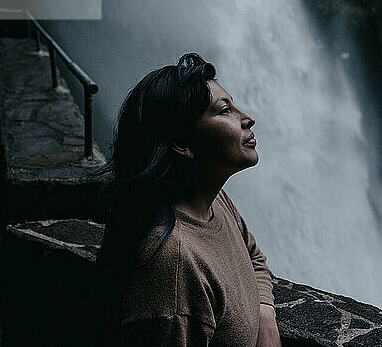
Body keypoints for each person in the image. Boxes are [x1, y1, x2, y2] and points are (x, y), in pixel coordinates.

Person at [95, 53, 281, 346]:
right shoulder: (174, 269)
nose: (248, 118)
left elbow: (254, 258)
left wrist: (266, 317)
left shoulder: (214, 201)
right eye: (224, 111)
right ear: (183, 143)